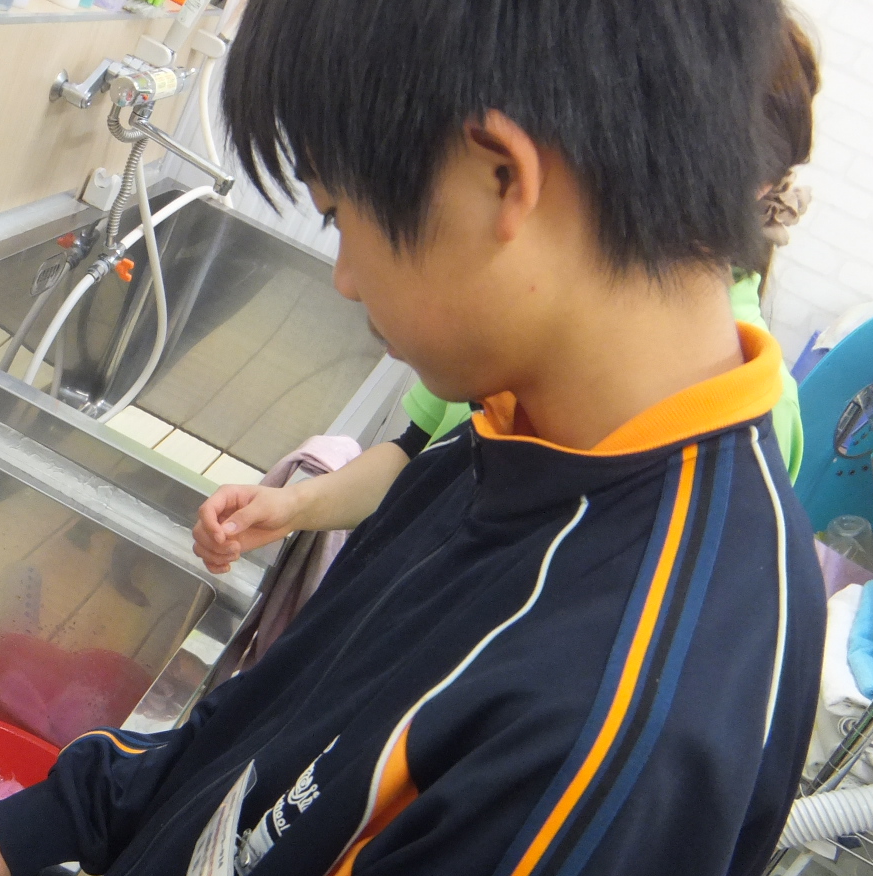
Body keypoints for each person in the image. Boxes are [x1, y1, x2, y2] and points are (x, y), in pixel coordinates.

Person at [0, 1, 825, 876]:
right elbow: (267, 736)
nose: (345, 277)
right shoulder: (505, 442)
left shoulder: (620, 721)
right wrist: (30, 825)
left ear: (501, 177)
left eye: (342, 214)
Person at [192, 14, 821, 577]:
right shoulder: (508, 364)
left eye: (338, 215)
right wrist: (297, 506)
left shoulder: (703, 483)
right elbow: (416, 457)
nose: (346, 282)